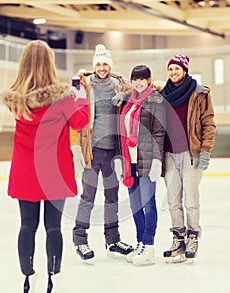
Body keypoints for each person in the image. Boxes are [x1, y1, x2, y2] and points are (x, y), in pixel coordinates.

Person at [0, 40, 89, 293]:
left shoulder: (17, 103)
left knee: (27, 226)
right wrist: (80, 96)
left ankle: (28, 282)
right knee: (53, 228)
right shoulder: (63, 99)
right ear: (50, 64)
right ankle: (55, 282)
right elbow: (81, 122)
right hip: (53, 172)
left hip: (26, 170)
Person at [70, 44, 133, 262]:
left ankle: (113, 239)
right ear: (93, 66)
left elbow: (137, 89)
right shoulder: (85, 85)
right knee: (88, 196)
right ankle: (80, 239)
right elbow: (71, 102)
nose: (102, 67)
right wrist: (76, 146)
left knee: (112, 197)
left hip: (113, 150)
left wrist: (124, 93)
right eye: (98, 63)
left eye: (105, 63)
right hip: (92, 150)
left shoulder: (117, 85)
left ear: (110, 66)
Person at [161, 54, 216, 263]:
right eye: (170, 69)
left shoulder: (199, 93)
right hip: (169, 154)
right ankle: (178, 239)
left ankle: (193, 237)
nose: (173, 73)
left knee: (191, 200)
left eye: (177, 69)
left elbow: (209, 123)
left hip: (191, 154)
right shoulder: (163, 93)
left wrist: (205, 151)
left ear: (185, 70)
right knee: (173, 201)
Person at [119, 65, 166, 266]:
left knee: (148, 203)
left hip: (146, 159)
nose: (138, 82)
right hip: (130, 161)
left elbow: (159, 132)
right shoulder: (128, 101)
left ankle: (149, 245)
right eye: (135, 79)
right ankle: (140, 243)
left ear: (149, 80)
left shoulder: (156, 99)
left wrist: (156, 159)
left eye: (142, 79)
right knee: (134, 204)